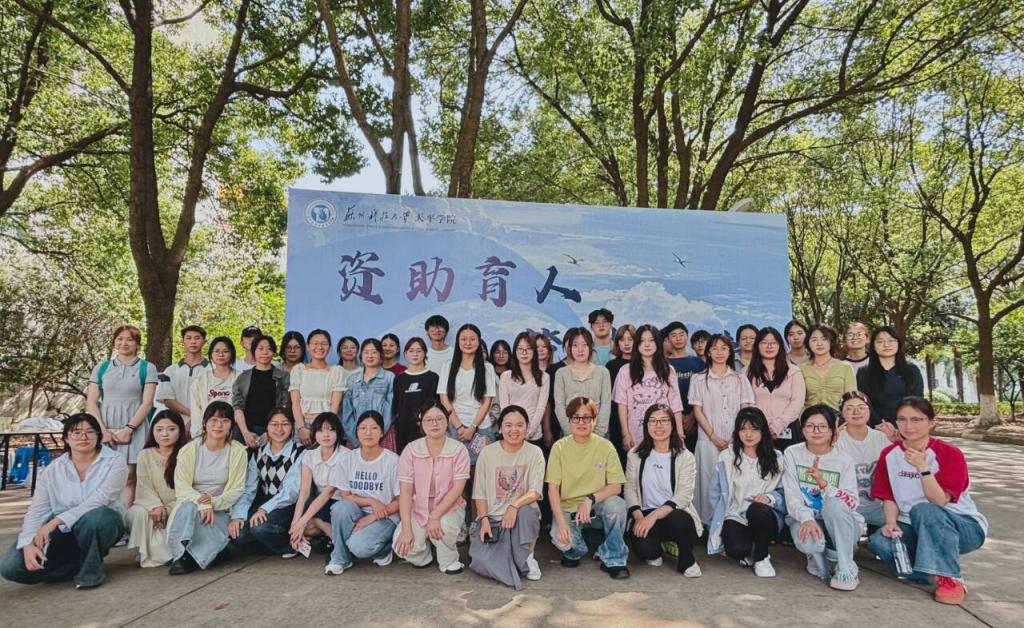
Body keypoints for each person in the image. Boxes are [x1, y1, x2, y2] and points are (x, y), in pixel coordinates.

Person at [867, 397, 988, 605]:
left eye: (916, 419)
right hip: (913, 526)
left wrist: (923, 467)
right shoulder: (889, 454)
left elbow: (939, 501)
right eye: (902, 419)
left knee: (924, 509)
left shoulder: (950, 454)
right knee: (879, 542)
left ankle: (951, 578)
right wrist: (891, 523)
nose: (908, 426)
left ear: (931, 422)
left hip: (960, 526)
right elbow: (889, 497)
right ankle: (926, 570)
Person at [0, 413, 127, 589]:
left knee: (97, 518)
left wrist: (53, 523)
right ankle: (71, 565)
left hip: (103, 524)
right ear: (66, 438)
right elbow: (37, 510)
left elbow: (100, 500)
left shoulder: (115, 460)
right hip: (64, 531)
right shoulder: (53, 469)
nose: (83, 436)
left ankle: (90, 572)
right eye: (76, 432)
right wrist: (28, 542)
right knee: (11, 568)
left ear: (98, 436)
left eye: (90, 431)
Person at [782, 404, 863, 591]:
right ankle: (819, 559)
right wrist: (807, 518)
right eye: (810, 426)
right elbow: (792, 495)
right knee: (808, 542)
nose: (816, 431)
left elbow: (851, 502)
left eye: (822, 426)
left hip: (841, 523)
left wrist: (823, 484)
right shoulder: (792, 453)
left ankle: (846, 568)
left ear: (832, 430)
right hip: (808, 519)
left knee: (834, 505)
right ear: (802, 430)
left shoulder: (844, 460)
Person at [548, 397, 628, 578]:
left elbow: (616, 486)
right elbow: (553, 489)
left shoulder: (606, 446)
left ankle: (615, 559)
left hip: (597, 509)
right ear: (569, 420)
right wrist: (561, 523)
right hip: (570, 510)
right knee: (565, 544)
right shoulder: (559, 447)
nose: (581, 422)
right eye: (576, 417)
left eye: (586, 417)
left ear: (594, 420)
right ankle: (586, 548)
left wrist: (590, 499)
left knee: (617, 505)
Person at [166, 402, 248, 574]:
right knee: (189, 509)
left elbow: (237, 489)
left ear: (231, 425)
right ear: (204, 423)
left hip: (221, 508)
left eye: (225, 421)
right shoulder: (189, 450)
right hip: (190, 505)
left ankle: (193, 557)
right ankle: (182, 555)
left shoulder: (238, 451)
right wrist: (202, 503)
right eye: (214, 420)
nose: (219, 425)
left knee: (208, 521)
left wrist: (212, 502)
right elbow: (182, 487)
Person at [469, 405, 545, 589]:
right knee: (481, 562)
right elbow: (479, 492)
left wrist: (514, 506)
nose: (514, 430)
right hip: (493, 520)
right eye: (508, 425)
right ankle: (513, 561)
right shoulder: (488, 453)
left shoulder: (534, 452)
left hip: (518, 518)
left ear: (527, 428)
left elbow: (535, 491)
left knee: (529, 511)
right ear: (500, 428)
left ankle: (528, 557)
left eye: (520, 425)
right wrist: (484, 518)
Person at [624, 404, 703, 577]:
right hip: (645, 512)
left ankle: (687, 561)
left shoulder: (685, 457)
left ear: (673, 425)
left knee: (682, 520)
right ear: (646, 426)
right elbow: (629, 489)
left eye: (664, 421)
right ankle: (660, 547)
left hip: (672, 512)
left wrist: (653, 517)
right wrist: (639, 518)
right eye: (653, 421)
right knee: (645, 550)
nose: (658, 426)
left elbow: (684, 496)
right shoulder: (635, 454)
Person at [706, 407, 785, 578]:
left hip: (765, 514)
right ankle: (752, 549)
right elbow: (715, 492)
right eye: (743, 429)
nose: (748, 434)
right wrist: (718, 518)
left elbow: (785, 492)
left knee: (756, 510)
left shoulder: (777, 458)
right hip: (736, 514)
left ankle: (762, 558)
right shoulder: (727, 457)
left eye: (754, 429)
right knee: (736, 549)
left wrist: (769, 498)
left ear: (763, 431)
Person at [393, 402, 471, 573]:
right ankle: (424, 555)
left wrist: (435, 515)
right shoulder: (411, 450)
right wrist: (406, 530)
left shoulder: (458, 450)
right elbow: (405, 492)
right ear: (421, 423)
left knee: (443, 527)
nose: (434, 424)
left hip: (449, 507)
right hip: (419, 507)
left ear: (447, 421)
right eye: (428, 420)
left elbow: (458, 489)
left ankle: (449, 559)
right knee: (403, 544)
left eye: (439, 419)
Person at [85, 324, 158, 505]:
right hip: (105, 426)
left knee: (129, 476)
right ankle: (102, 514)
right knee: (102, 475)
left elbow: (147, 403)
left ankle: (125, 517)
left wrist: (128, 429)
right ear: (114, 342)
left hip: (134, 427)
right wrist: (101, 430)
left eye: (129, 339)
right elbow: (91, 402)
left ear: (137, 343)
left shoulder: (147, 368)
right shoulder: (101, 368)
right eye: (120, 339)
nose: (124, 343)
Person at [689, 334, 754, 523]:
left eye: (724, 348)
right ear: (708, 352)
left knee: (735, 482)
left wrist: (735, 437)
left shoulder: (740, 379)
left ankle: (733, 524)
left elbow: (745, 410)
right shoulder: (698, 379)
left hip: (736, 440)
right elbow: (697, 411)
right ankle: (707, 525)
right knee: (708, 482)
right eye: (715, 348)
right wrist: (713, 436)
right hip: (708, 441)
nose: (719, 352)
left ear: (730, 351)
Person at [326, 411, 401, 575]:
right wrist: (371, 501)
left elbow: (401, 500)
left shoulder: (393, 460)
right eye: (363, 428)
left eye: (374, 428)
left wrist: (372, 516)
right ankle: (340, 559)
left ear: (382, 432)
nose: (368, 432)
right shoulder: (347, 459)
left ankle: (384, 550)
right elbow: (345, 495)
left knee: (358, 546)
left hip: (385, 516)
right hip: (358, 511)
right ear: (357, 432)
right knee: (340, 508)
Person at [228, 407, 304, 558]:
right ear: (267, 428)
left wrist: (264, 509)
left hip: (289, 505)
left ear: (292, 427)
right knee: (238, 535)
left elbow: (292, 491)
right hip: (265, 503)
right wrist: (238, 516)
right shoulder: (258, 453)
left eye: (285, 424)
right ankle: (272, 544)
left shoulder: (300, 452)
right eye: (274, 424)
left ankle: (289, 546)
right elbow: (248, 489)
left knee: (260, 528)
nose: (279, 429)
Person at [126, 410, 188, 567]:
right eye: (159, 429)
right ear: (152, 431)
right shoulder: (145, 454)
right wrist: (156, 506)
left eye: (171, 429)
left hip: (177, 505)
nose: (164, 434)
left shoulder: (186, 453)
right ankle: (146, 552)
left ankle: (166, 551)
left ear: (180, 431)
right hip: (151, 507)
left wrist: (167, 509)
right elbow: (143, 486)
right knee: (136, 512)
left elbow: (187, 488)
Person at [614, 324, 685, 453]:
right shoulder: (626, 371)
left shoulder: (668, 370)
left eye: (651, 340)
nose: (647, 345)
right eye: (642, 341)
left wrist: (679, 433)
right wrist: (625, 434)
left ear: (658, 343)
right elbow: (622, 405)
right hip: (636, 432)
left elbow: (676, 405)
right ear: (637, 344)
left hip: (664, 431)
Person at [289, 412, 347, 555]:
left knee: (311, 518)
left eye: (331, 430)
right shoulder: (309, 455)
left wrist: (302, 521)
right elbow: (304, 492)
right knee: (302, 525)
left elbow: (329, 492)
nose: (326, 435)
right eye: (320, 430)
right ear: (314, 433)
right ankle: (328, 535)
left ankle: (340, 545)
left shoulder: (346, 455)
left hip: (340, 502)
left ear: (338, 432)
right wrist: (295, 523)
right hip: (319, 502)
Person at [440, 324, 498, 463]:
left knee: (481, 468)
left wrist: (472, 427)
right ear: (458, 341)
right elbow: (444, 398)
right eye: (464, 339)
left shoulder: (487, 368)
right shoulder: (447, 366)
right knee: (456, 468)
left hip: (481, 427)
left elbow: (487, 401)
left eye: (472, 339)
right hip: (455, 428)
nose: (468, 343)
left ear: (479, 342)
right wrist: (459, 427)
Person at [834, 391, 890, 528]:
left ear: (869, 410)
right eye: (849, 408)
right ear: (841, 413)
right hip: (848, 508)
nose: (856, 412)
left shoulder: (882, 437)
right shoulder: (836, 440)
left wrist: (897, 441)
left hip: (880, 507)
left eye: (861, 407)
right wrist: (829, 444)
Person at [746, 326, 806, 449]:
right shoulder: (746, 373)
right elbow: (747, 402)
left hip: (789, 428)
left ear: (780, 346)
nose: (769, 346)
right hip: (757, 429)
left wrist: (779, 424)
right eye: (764, 342)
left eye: (773, 342)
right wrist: (764, 423)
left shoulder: (793, 371)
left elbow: (798, 401)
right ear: (757, 346)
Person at [857, 326, 924, 430]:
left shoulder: (911, 370)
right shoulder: (863, 372)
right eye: (880, 341)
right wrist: (881, 425)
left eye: (891, 340)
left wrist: (897, 424)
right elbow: (864, 402)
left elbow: (917, 400)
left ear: (898, 343)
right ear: (873, 346)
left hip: (907, 427)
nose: (886, 345)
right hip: (875, 428)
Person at [231, 335, 290, 449]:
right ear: (253, 351)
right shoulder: (243, 377)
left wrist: (270, 432)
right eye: (260, 348)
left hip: (274, 432)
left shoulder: (283, 376)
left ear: (273, 352)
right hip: (245, 431)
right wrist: (245, 433)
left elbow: (285, 406)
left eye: (269, 349)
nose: (265, 352)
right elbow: (237, 407)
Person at [553, 327, 612, 438]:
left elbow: (606, 404)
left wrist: (599, 433)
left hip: (598, 435)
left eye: (584, 345)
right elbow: (559, 406)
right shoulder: (561, 373)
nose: (580, 349)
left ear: (591, 347)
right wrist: (571, 432)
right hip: (570, 436)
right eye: (575, 345)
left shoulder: (603, 372)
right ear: (570, 348)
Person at [290, 329, 344, 447]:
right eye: (315, 343)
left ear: (329, 348)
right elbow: (295, 402)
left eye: (324, 344)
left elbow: (335, 404)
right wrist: (301, 428)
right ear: (308, 347)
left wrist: (326, 428)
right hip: (303, 424)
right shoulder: (298, 370)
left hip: (327, 426)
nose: (319, 347)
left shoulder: (336, 371)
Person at [499, 332, 550, 448]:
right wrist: (514, 430)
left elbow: (541, 407)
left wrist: (528, 432)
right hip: (510, 434)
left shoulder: (544, 377)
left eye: (528, 349)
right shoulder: (506, 376)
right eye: (520, 349)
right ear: (515, 351)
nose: (524, 352)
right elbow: (504, 407)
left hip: (533, 435)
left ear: (534, 351)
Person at [343, 338, 396, 450]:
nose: (370, 356)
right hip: (356, 437)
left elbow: (391, 410)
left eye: (374, 352)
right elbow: (347, 412)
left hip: (383, 435)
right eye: (366, 352)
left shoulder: (389, 377)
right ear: (361, 355)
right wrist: (356, 438)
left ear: (381, 355)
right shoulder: (352, 380)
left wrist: (378, 433)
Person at [155, 325, 209, 432]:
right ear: (182, 341)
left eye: (197, 338)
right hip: (175, 424)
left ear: (204, 342)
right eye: (188, 338)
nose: (193, 342)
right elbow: (167, 399)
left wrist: (197, 419)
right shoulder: (170, 371)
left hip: (206, 423)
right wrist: (192, 414)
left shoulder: (212, 369)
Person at [393, 337, 440, 453]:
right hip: (404, 429)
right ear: (405, 354)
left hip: (427, 428)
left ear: (425, 353)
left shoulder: (433, 377)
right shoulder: (399, 379)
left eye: (419, 351)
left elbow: (436, 405)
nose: (415, 354)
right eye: (411, 351)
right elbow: (396, 407)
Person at [189, 336, 239, 438]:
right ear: (211, 354)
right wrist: (198, 435)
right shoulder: (200, 381)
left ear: (232, 354)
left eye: (225, 351)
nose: (221, 354)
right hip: (207, 434)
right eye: (216, 351)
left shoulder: (241, 378)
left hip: (235, 432)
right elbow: (196, 410)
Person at [799, 324, 856, 410]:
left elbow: (852, 400)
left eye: (824, 339)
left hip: (838, 417)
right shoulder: (801, 369)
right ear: (808, 343)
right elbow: (797, 401)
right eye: (814, 340)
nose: (819, 343)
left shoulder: (845, 367)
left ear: (831, 341)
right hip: (808, 416)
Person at [606, 325, 636, 461]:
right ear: (617, 342)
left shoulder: (645, 364)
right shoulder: (611, 366)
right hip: (617, 419)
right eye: (622, 340)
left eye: (630, 339)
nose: (627, 343)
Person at [536, 334, 563, 448]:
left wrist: (548, 429)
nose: (540, 349)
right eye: (537, 347)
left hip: (554, 419)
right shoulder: (528, 372)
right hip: (533, 419)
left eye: (544, 347)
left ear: (549, 350)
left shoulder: (557, 371)